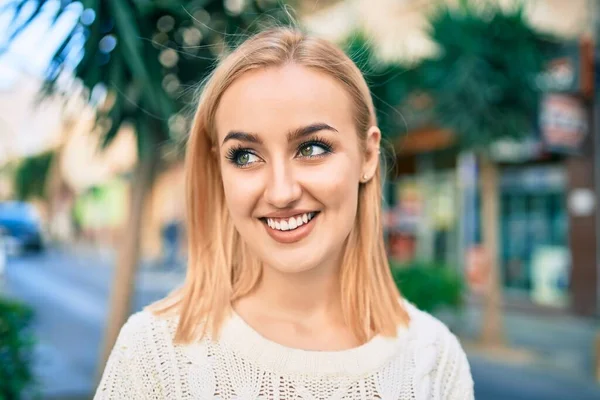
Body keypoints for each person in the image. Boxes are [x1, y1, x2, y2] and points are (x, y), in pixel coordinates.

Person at [95, 27, 474, 399]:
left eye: (312, 148)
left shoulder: (434, 360)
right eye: (245, 156)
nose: (281, 192)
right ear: (218, 170)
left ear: (369, 156)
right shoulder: (155, 353)